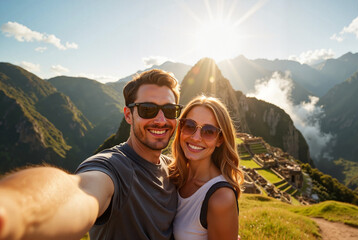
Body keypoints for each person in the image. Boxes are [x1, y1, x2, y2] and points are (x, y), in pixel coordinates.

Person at [0, 69, 182, 240]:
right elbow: (79, 190)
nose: (161, 120)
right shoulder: (115, 168)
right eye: (148, 109)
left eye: (169, 110)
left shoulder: (173, 169)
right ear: (128, 115)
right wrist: (16, 211)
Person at [169, 96, 244, 240]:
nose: (196, 138)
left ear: (220, 139)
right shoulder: (172, 176)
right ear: (181, 128)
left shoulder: (221, 198)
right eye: (190, 126)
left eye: (209, 131)